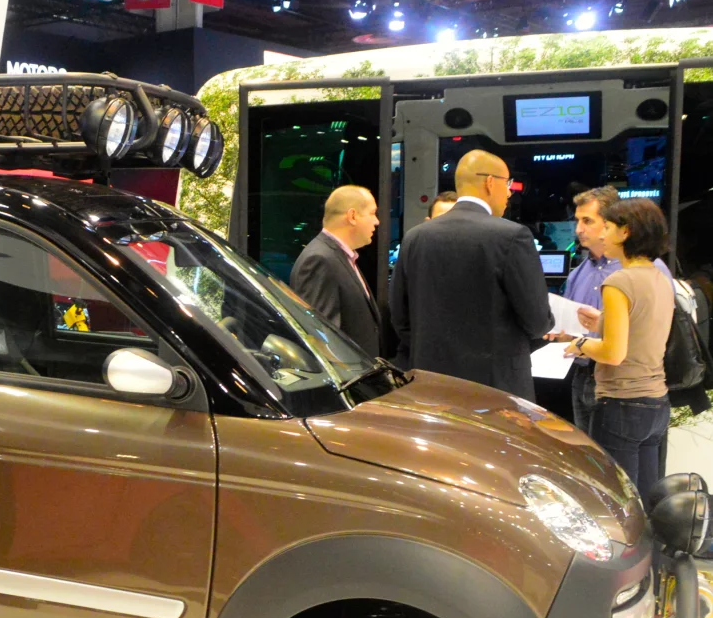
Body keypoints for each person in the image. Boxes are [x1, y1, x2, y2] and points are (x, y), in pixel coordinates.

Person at [390, 150, 552, 400]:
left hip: (431, 384)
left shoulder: (415, 237)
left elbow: (400, 316)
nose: (509, 193)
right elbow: (537, 321)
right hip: (496, 387)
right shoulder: (512, 236)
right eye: (508, 184)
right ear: (490, 183)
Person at [563, 199, 672, 494]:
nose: (602, 235)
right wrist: (602, 321)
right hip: (656, 402)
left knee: (616, 498)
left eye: (608, 227)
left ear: (626, 232)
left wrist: (580, 344)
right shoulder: (660, 276)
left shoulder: (618, 281)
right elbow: (644, 328)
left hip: (621, 401)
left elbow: (613, 353)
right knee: (646, 496)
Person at [288, 185, 383, 357]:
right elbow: (322, 338)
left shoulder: (339, 256)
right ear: (352, 216)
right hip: (348, 372)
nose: (377, 221)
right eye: (372, 213)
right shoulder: (320, 259)